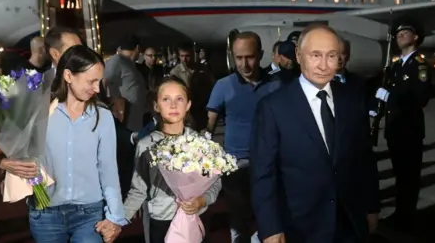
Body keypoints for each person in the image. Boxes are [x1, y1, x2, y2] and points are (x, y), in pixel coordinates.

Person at [250, 24, 380, 243]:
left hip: (349, 223)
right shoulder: (273, 107)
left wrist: (371, 207)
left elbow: (364, 159)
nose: (323, 65)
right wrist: (270, 227)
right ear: (299, 56)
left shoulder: (352, 99)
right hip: (299, 226)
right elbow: (263, 174)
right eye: (315, 55)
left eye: (331, 56)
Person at [29, 45, 126, 243]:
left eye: (99, 82)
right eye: (91, 81)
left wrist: (115, 216)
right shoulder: (41, 112)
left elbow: (108, 170)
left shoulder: (103, 117)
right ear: (68, 75)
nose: (97, 89)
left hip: (90, 214)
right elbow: (20, 153)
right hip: (45, 213)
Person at [123, 76, 221, 243]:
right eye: (166, 99)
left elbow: (215, 182)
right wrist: (118, 220)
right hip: (162, 220)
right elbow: (139, 189)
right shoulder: (146, 145)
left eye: (179, 99)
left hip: (194, 217)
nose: (173, 105)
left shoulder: (200, 143)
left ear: (188, 104)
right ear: (156, 106)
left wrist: (202, 200)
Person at [205, 31, 279, 243]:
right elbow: (209, 123)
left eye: (250, 57)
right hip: (235, 164)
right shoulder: (223, 86)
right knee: (239, 220)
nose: (244, 64)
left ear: (261, 54)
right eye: (239, 58)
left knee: (270, 218)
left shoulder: (277, 85)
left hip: (269, 162)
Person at [371, 22, 431, 229]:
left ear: (416, 38)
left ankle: (407, 218)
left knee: (409, 177)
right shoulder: (396, 65)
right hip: (394, 129)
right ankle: (401, 213)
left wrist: (391, 97)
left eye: (405, 33)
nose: (400, 36)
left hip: (409, 130)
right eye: (398, 33)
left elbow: (421, 98)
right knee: (400, 176)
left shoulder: (419, 65)